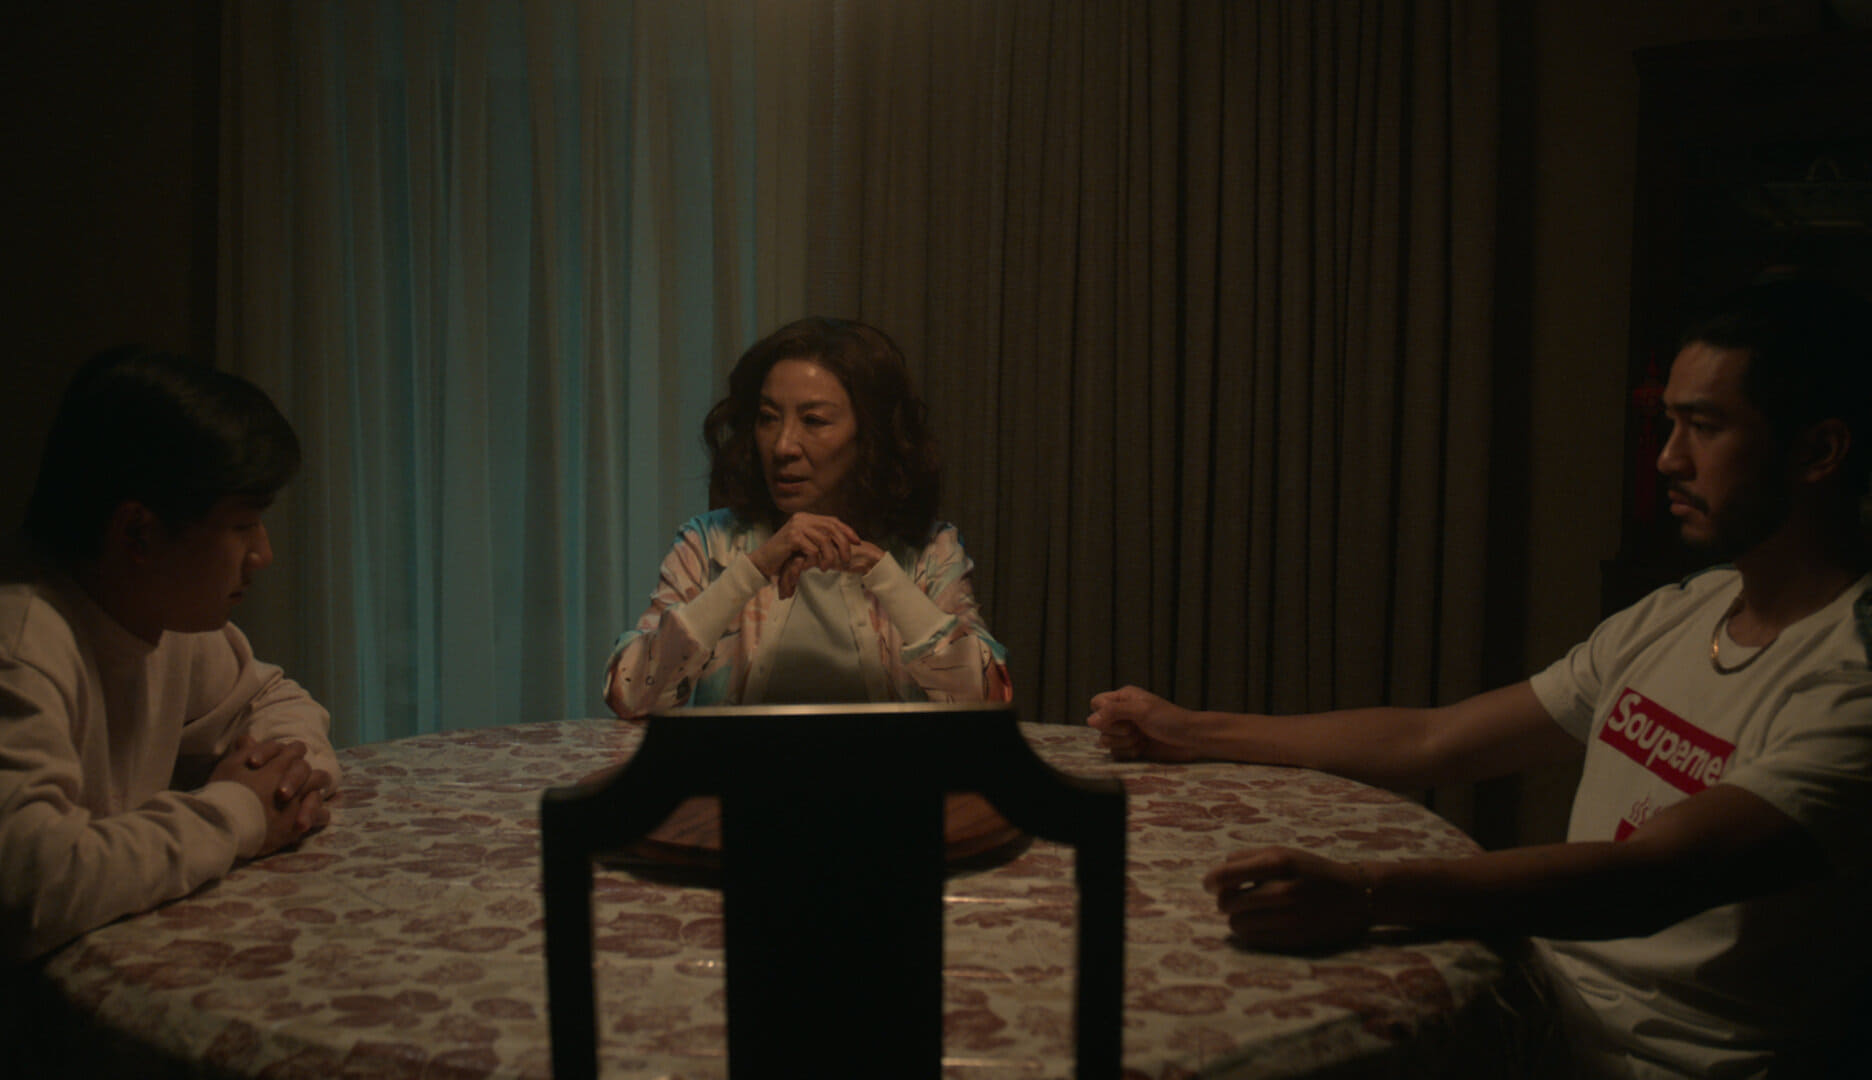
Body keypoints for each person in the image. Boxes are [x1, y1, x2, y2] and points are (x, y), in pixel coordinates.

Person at [1087, 278, 1872, 1078]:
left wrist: (1366, 892)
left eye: (1704, 427)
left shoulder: (1851, 681)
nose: (1668, 458)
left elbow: (1655, 876)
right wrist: (1192, 730)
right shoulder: (1684, 610)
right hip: (1547, 1009)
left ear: (1818, 451)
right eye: (1667, 424)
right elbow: (1437, 739)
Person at [0, 347, 339, 971]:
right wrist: (238, 812)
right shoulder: (10, 647)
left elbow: (273, 698)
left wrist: (282, 781)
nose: (262, 555)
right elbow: (26, 888)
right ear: (139, 532)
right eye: (243, 525)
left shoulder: (152, 607)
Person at [604, 316, 1011, 718]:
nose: (783, 446)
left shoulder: (929, 551)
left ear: (870, 436)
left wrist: (884, 575)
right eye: (768, 418)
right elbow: (630, 696)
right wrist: (752, 571)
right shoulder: (710, 544)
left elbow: (987, 702)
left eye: (813, 421)